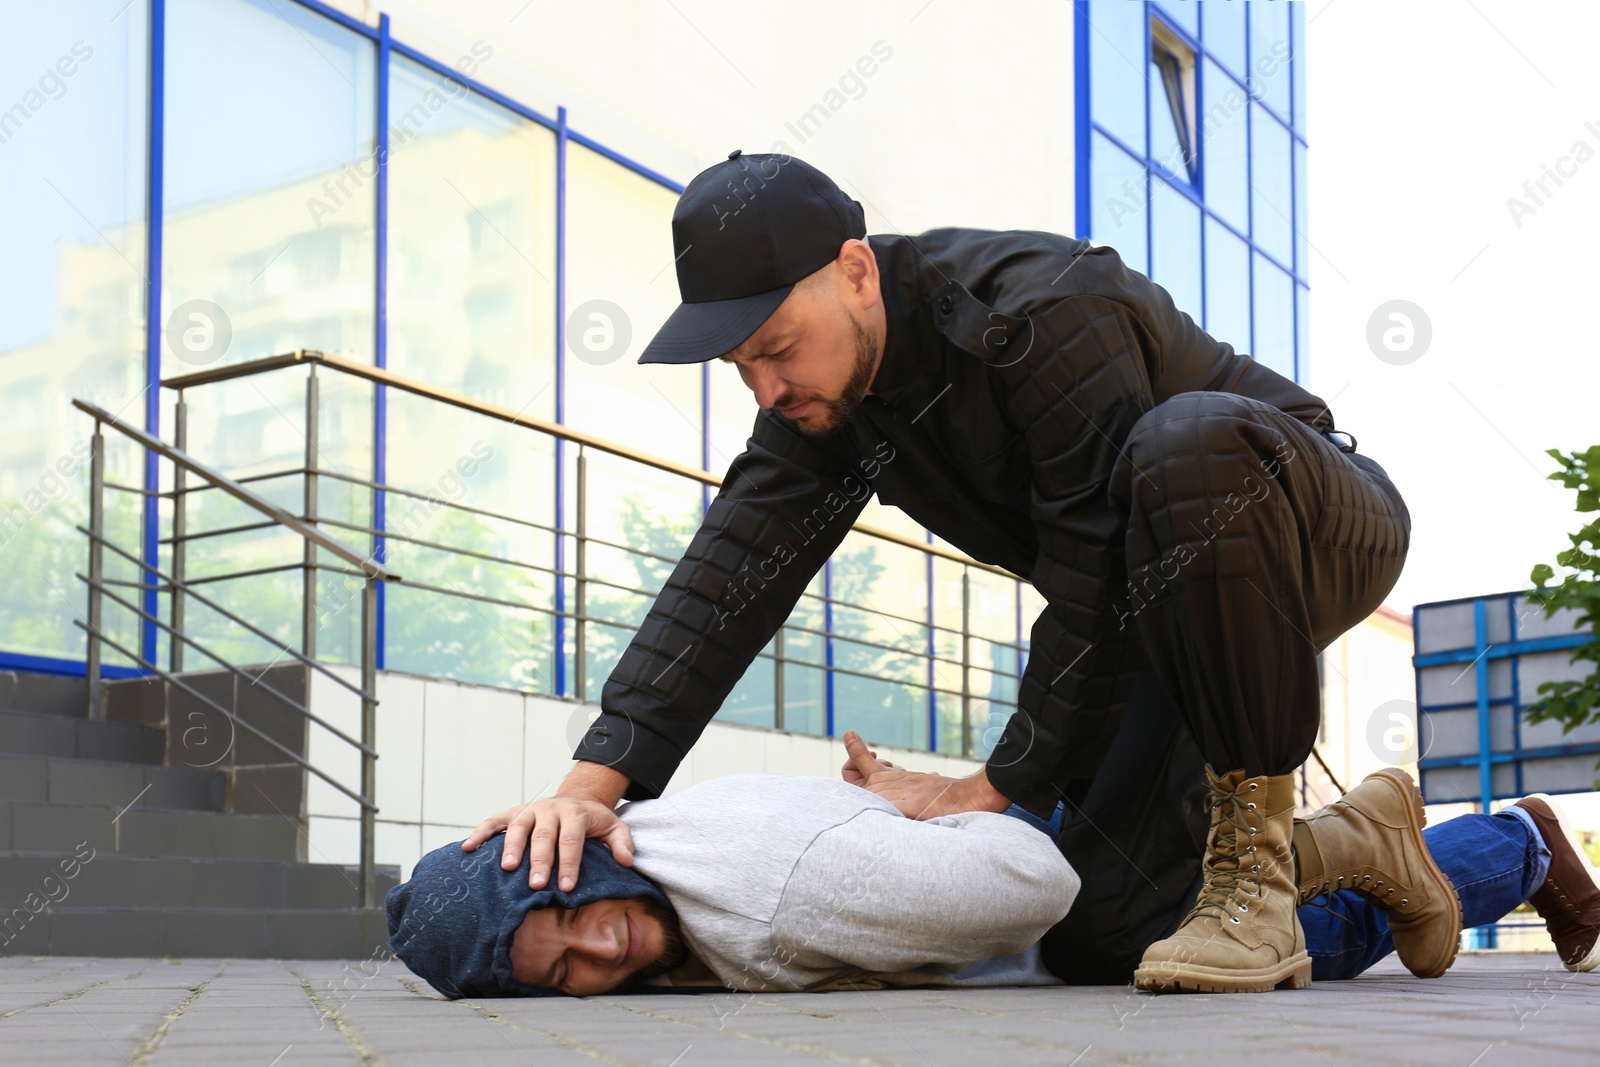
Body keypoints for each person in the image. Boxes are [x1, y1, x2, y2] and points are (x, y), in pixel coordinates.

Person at [463, 149, 1414, 992]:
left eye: (779, 350)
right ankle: (1362, 837)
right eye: (742, 365)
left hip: (1298, 520)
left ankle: (1257, 878)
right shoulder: (828, 408)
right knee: (1102, 930)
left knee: (1183, 440)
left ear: (856, 270)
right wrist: (589, 790)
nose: (766, 388)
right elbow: (727, 575)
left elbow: (1095, 572)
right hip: (1152, 606)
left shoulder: (1042, 308)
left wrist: (987, 789)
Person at [401, 746, 1600, 998]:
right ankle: (1400, 834)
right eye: (551, 976)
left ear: (581, 858)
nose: (595, 954)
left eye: (570, 922)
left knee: (1324, 940)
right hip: (1061, 881)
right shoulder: (663, 850)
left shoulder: (769, 882)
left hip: (1091, 914)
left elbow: (1028, 879)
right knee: (1311, 921)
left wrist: (937, 806)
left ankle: (1524, 839)